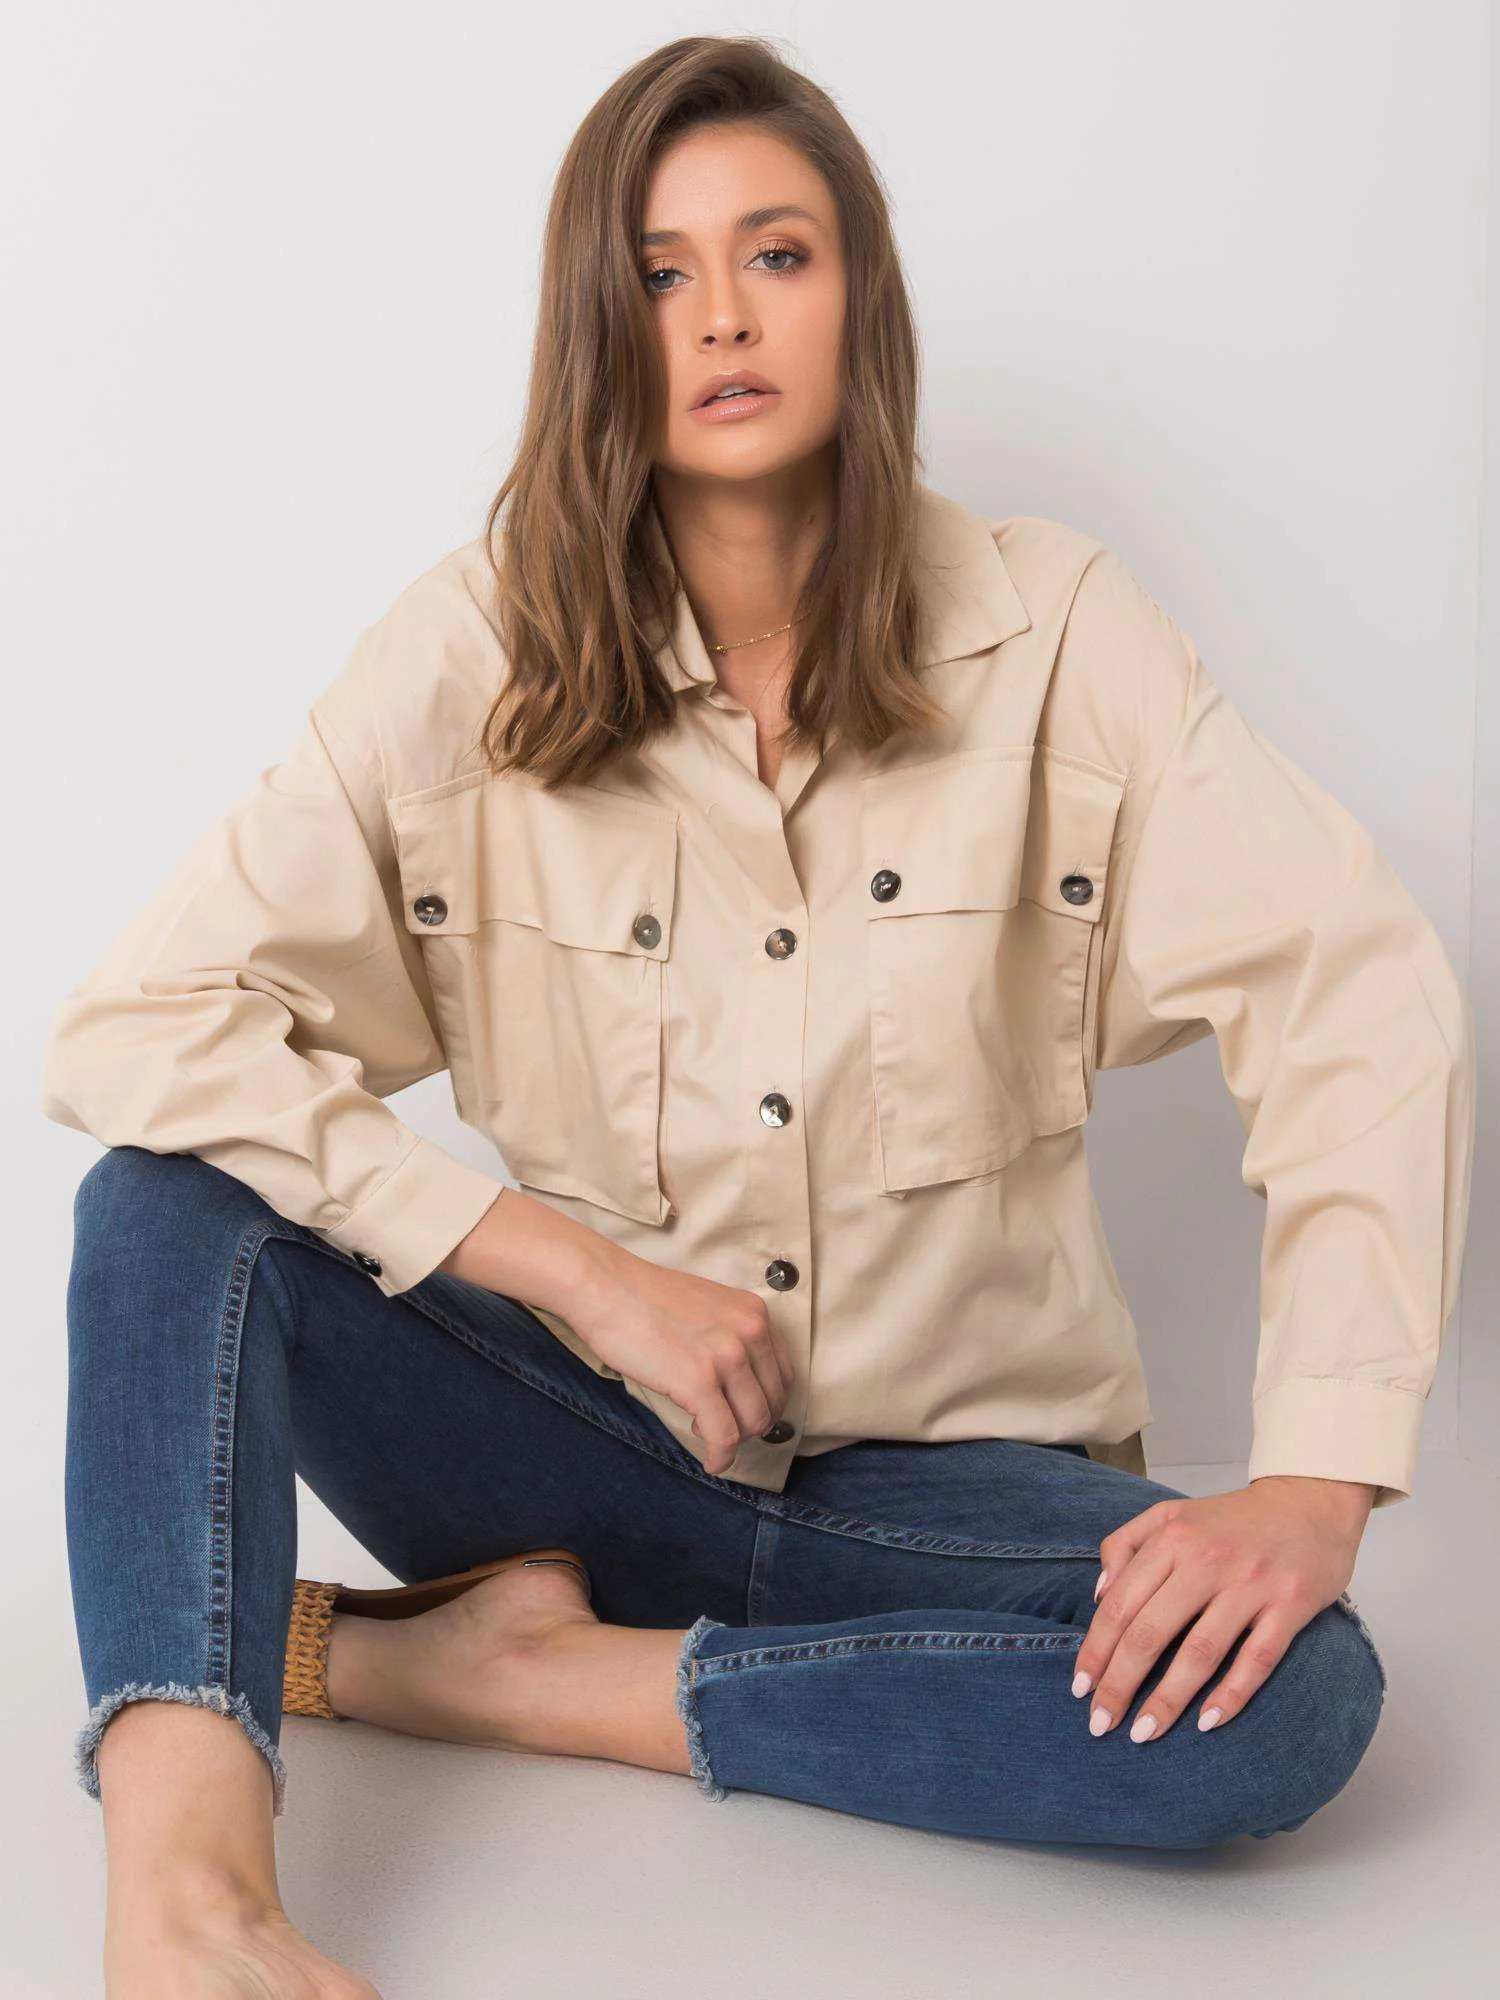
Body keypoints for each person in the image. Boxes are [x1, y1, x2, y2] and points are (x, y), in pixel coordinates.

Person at [41, 31, 1475, 2000]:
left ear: (857, 294)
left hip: (956, 1499)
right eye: (660, 271)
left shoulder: (1058, 635)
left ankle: (517, 1677)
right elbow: (138, 1022)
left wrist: (1313, 1480)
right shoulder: (474, 654)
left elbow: (1358, 990)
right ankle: (190, 1891)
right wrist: (578, 1274)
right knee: (163, 1201)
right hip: (576, 1453)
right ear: (597, 325)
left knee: (1293, 1698)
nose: (720, 314)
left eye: (776, 254)